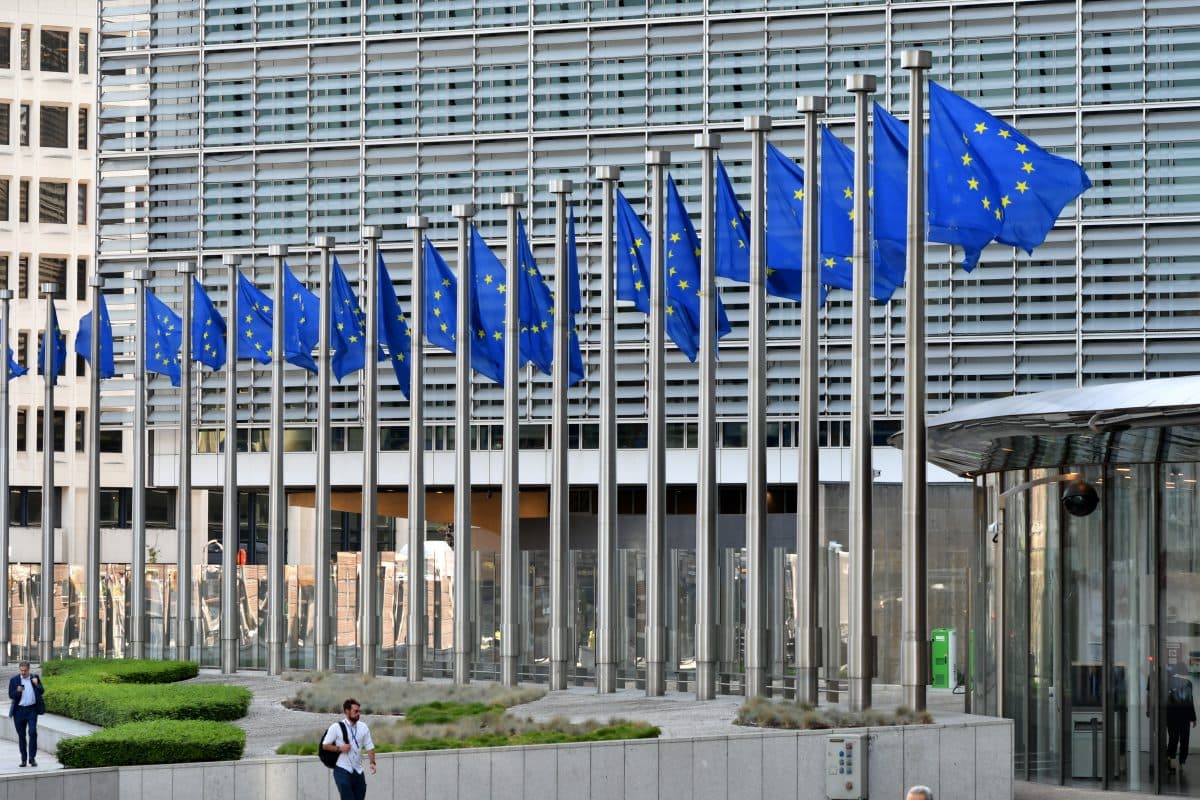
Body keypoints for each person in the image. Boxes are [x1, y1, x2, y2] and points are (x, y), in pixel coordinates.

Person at [321, 697, 376, 800]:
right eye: (355, 711)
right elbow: (325, 745)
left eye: (359, 711)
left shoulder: (363, 727)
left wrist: (372, 762)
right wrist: (340, 748)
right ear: (347, 711)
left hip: (358, 770)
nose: (358, 713)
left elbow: (369, 746)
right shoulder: (336, 727)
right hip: (342, 769)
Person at [7, 661, 45, 768]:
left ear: (29, 669)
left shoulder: (34, 678)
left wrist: (37, 684)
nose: (23, 672)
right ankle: (23, 759)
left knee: (33, 732)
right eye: (21, 670)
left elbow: (42, 691)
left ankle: (32, 758)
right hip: (18, 711)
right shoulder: (14, 680)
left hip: (32, 710)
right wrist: (18, 691)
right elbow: (11, 695)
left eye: (25, 670)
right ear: (20, 669)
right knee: (21, 736)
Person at [1166, 664, 1197, 773]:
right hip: (1184, 716)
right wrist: (1193, 718)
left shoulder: (1169, 682)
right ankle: (1181, 763)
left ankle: (1171, 761)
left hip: (1172, 716)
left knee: (1173, 739)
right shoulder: (1188, 683)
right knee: (1184, 740)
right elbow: (1190, 701)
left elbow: (1167, 701)